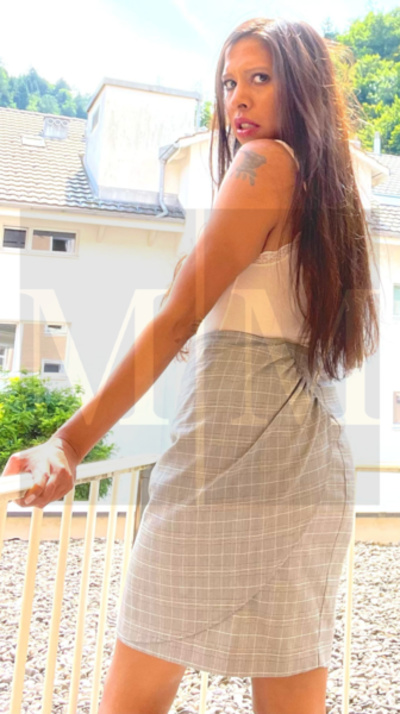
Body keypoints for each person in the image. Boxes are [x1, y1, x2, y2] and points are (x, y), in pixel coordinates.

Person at [2, 17, 380, 714]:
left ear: (303, 88)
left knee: (134, 693)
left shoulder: (264, 164)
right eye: (229, 82)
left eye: (260, 78)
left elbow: (179, 319)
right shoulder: (325, 192)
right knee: (290, 688)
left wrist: (70, 443)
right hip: (303, 467)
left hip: (234, 460)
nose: (239, 97)